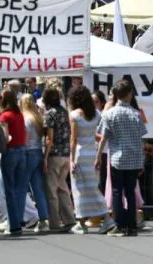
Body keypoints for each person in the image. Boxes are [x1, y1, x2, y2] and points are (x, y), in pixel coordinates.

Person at [96, 81, 145, 237]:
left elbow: (103, 138)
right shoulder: (136, 114)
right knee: (130, 192)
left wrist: (98, 157)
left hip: (117, 157)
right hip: (133, 158)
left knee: (117, 191)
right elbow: (140, 138)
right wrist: (141, 159)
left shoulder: (109, 114)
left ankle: (119, 224)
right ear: (129, 94)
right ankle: (132, 226)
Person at [65, 86, 110, 235]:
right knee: (91, 187)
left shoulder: (74, 115)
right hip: (92, 153)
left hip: (79, 153)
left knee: (79, 189)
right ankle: (85, 221)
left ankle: (85, 221)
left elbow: (73, 138)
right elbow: (100, 134)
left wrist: (71, 158)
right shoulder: (96, 114)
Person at [42, 87, 77, 232]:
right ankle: (69, 219)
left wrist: (45, 157)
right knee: (62, 188)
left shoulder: (50, 114)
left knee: (51, 190)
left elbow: (49, 138)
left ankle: (54, 222)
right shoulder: (65, 112)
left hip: (54, 154)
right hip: (66, 154)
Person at [20, 93, 50, 232]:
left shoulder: (26, 119)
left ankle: (18, 218)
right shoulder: (38, 118)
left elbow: (25, 139)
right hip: (38, 152)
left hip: (29, 153)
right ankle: (44, 219)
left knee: (21, 187)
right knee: (38, 189)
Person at [0, 89, 26, 236]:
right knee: (20, 188)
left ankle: (13, 224)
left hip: (10, 151)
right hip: (22, 151)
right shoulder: (19, 114)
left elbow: (5, 136)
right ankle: (19, 219)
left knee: (9, 188)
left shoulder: (5, 116)